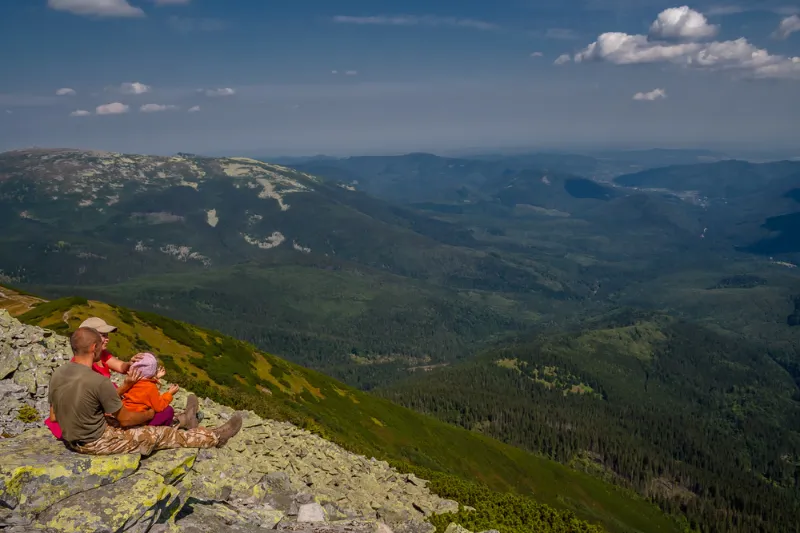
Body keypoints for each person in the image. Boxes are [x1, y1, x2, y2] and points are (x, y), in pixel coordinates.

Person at [48, 328, 242, 456]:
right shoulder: (98, 381)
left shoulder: (59, 374)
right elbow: (125, 420)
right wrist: (149, 413)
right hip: (96, 442)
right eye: (99, 344)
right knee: (162, 434)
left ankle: (185, 420)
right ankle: (215, 437)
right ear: (93, 347)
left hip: (72, 439)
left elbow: (54, 416)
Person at [121, 353, 183, 428]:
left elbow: (143, 380)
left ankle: (182, 420)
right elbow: (159, 406)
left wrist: (155, 377)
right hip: (138, 421)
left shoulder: (131, 381)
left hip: (123, 414)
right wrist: (169, 394)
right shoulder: (150, 388)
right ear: (152, 372)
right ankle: (163, 430)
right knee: (168, 411)